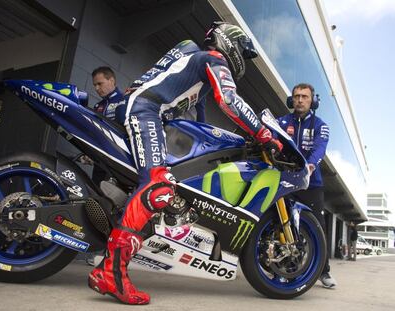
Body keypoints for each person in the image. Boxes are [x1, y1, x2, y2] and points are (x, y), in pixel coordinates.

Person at [87, 21, 283, 305]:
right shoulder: (214, 59)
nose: (242, 57)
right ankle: (111, 272)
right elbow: (228, 100)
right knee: (159, 185)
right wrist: (263, 134)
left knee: (160, 184)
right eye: (241, 49)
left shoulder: (192, 60)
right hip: (145, 111)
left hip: (145, 111)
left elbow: (198, 112)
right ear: (230, 43)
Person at [277, 83, 336, 288]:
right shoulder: (281, 122)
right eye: (296, 96)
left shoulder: (321, 125)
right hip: (286, 182)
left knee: (318, 227)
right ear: (291, 100)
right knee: (285, 226)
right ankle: (288, 271)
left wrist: (309, 166)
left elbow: (320, 149)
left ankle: (324, 271)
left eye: (304, 96)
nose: (300, 100)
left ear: (313, 101)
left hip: (312, 185)